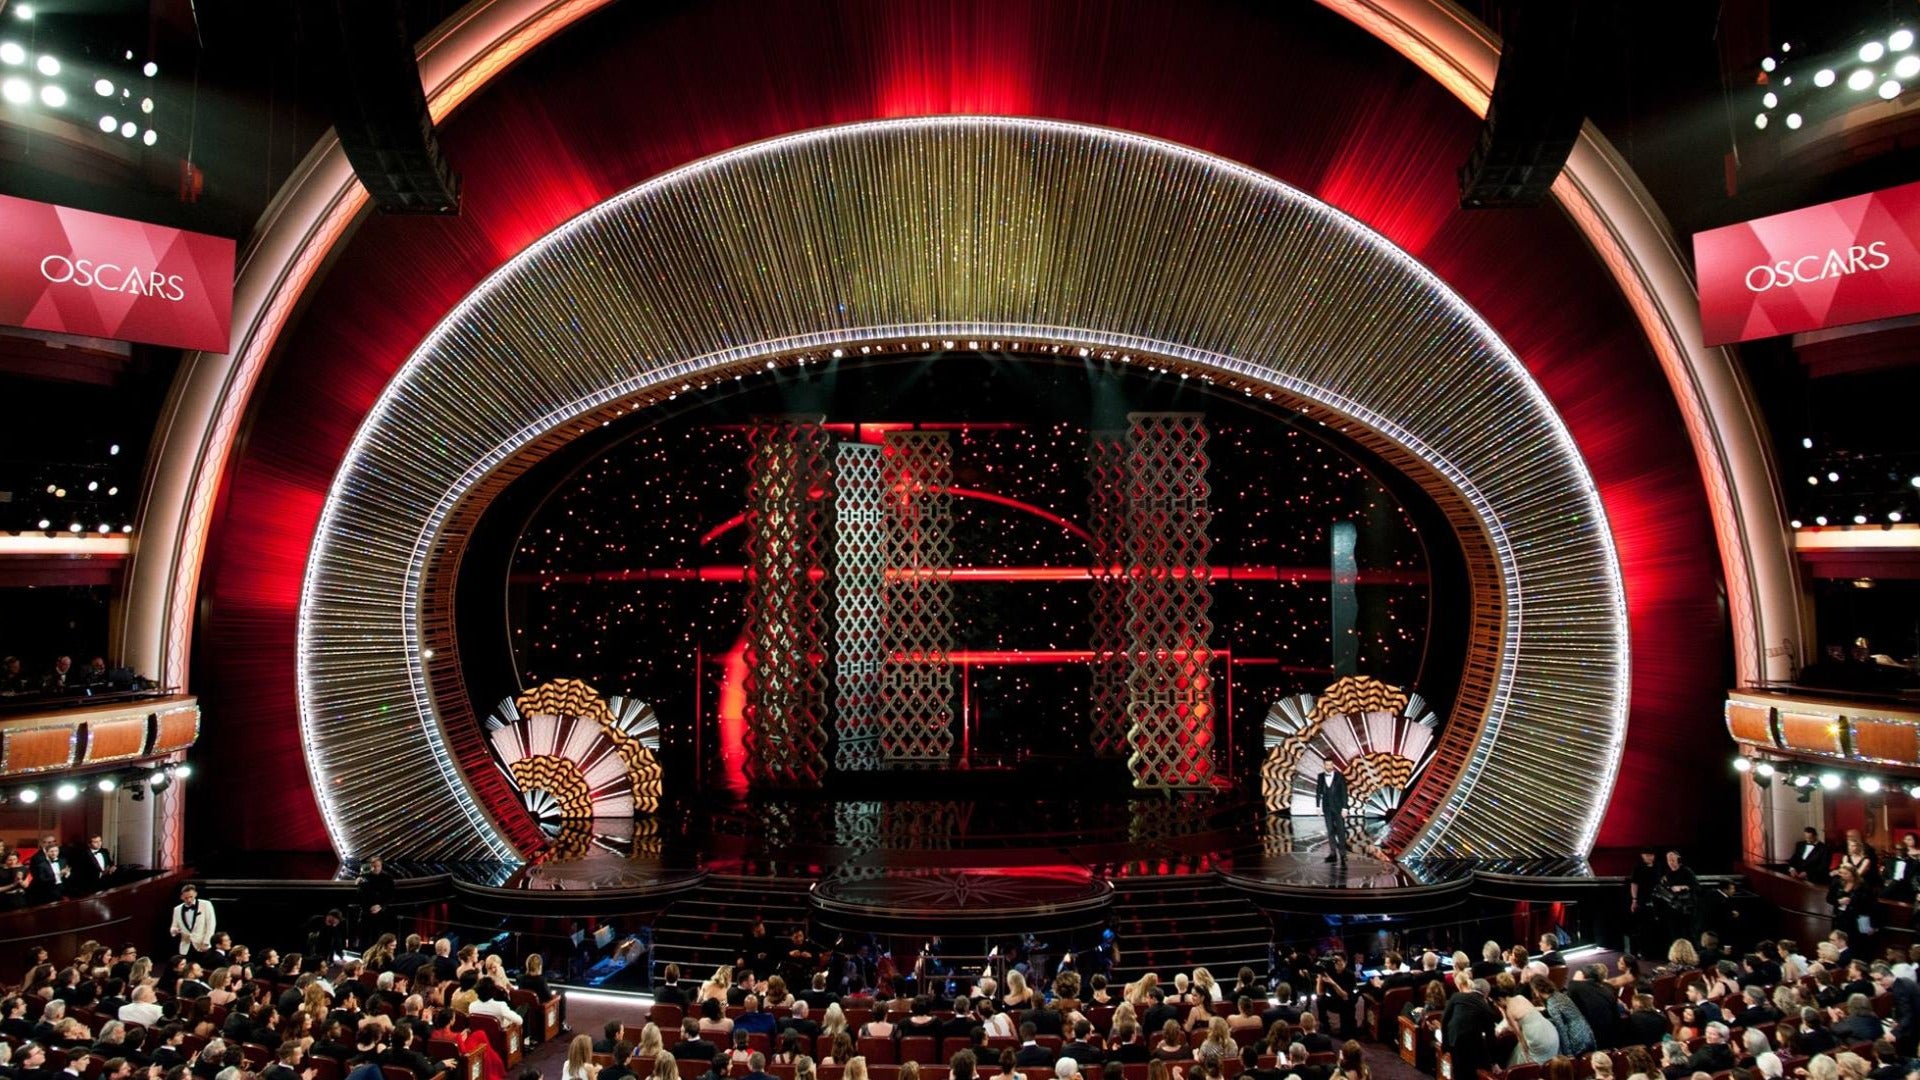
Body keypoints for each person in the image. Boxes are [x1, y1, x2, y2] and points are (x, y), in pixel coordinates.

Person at [1442, 975, 1498, 1080]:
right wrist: (1493, 1061)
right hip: (1473, 1043)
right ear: (1486, 994)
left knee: (1459, 1071)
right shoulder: (1487, 1009)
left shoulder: (1457, 996)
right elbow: (1491, 1037)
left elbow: (1445, 1020)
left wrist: (1445, 1045)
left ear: (1472, 987)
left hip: (1454, 1039)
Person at [1495, 984, 1559, 1066]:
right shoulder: (1520, 997)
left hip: (1536, 1036)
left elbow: (1519, 1035)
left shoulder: (1509, 1012)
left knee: (1523, 1054)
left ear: (1500, 999)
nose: (1495, 1005)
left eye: (1495, 1003)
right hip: (1550, 1030)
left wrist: (1526, 1054)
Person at [1873, 963, 1920, 1058]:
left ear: (1889, 975)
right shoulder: (1904, 981)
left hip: (1914, 1030)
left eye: (1880, 979)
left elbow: (1908, 1015)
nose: (1878, 983)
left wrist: (1895, 1033)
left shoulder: (1900, 989)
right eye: (1875, 980)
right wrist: (1898, 1022)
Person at [356, 858, 396, 946]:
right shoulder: (364, 878)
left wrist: (380, 906)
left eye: (378, 866)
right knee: (364, 938)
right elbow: (360, 896)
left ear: (381, 866)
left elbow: (391, 895)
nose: (376, 868)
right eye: (374, 866)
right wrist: (368, 908)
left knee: (378, 937)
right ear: (370, 866)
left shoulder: (388, 878)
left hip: (381, 912)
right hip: (367, 912)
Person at [1831, 866, 1876, 941]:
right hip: (1839, 917)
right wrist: (1839, 901)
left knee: (1852, 941)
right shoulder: (1837, 882)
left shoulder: (1863, 886)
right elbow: (1829, 898)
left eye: (1845, 873)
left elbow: (1870, 905)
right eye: (1840, 873)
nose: (1841, 875)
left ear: (1853, 874)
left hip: (1855, 919)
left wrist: (1873, 924)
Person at [171, 884, 216, 957]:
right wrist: (174, 930)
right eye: (186, 898)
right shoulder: (177, 909)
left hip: (202, 945)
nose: (188, 900)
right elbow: (173, 927)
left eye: (191, 897)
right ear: (181, 897)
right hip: (186, 947)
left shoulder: (205, 904)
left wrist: (206, 942)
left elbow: (211, 925)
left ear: (195, 894)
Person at [1316, 762, 1349, 861]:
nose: (1329, 767)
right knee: (1330, 830)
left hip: (1339, 808)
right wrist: (1317, 806)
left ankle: (1343, 854)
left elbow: (1344, 792)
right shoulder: (1321, 776)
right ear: (1324, 765)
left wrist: (1345, 808)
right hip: (1327, 808)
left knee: (1341, 830)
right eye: (1327, 765)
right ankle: (1333, 853)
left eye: (1331, 765)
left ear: (1333, 765)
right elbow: (1318, 792)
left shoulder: (1340, 776)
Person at [26, 838, 69, 905]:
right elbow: (42, 880)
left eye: (56, 851)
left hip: (61, 890)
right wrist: (59, 875)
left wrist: (67, 874)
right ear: (46, 852)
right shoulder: (42, 865)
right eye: (52, 851)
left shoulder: (62, 861)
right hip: (48, 892)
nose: (54, 853)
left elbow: (66, 875)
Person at [1883, 836, 1920, 901]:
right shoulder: (1889, 861)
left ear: (1906, 850)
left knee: (1896, 883)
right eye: (1897, 849)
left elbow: (1916, 878)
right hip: (1892, 887)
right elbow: (1885, 875)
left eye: (1901, 850)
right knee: (1894, 883)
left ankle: (1882, 897)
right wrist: (1887, 882)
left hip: (1906, 888)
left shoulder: (1914, 863)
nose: (1899, 851)